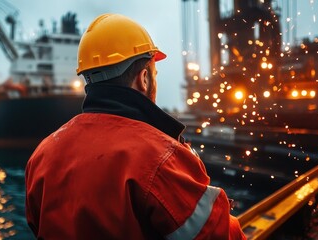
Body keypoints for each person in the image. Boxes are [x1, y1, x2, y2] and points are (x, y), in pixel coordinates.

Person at [25, 13, 246, 239]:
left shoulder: (42, 155)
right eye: (155, 74)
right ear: (144, 79)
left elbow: (36, 225)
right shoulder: (159, 158)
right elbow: (218, 235)